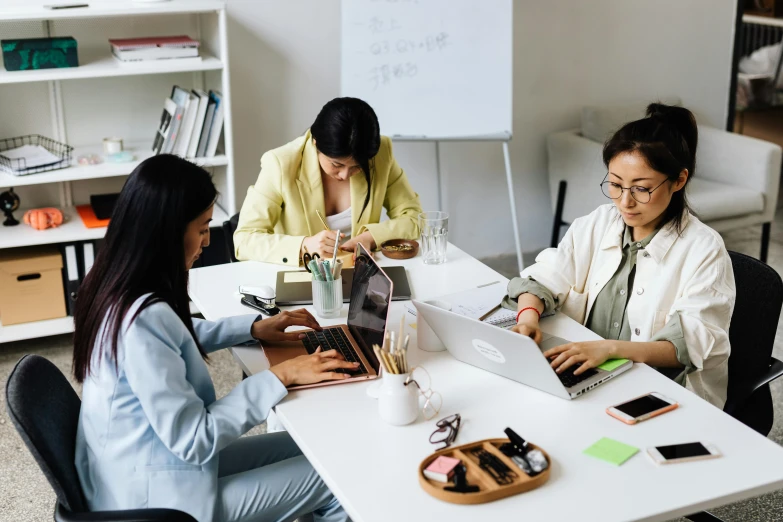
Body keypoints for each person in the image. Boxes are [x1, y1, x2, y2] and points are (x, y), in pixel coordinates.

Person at [72, 155, 356, 522]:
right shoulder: (141, 320)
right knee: (338, 477)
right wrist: (282, 376)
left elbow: (174, 338)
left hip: (141, 464)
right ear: (167, 230)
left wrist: (253, 328)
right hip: (157, 498)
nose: (207, 241)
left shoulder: (113, 282)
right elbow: (194, 439)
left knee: (317, 447)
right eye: (203, 227)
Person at [505, 103, 735, 409]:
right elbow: (544, 277)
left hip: (663, 390)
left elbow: (691, 342)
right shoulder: (598, 223)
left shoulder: (704, 249)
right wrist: (528, 318)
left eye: (641, 189)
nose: (625, 202)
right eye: (615, 185)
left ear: (679, 180)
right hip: (593, 374)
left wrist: (609, 349)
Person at [233, 97, 423, 266]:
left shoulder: (381, 154)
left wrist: (370, 238)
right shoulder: (280, 163)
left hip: (361, 275)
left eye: (357, 166)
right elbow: (244, 240)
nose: (345, 175)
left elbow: (414, 218)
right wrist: (304, 245)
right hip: (304, 276)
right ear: (315, 143)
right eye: (336, 164)